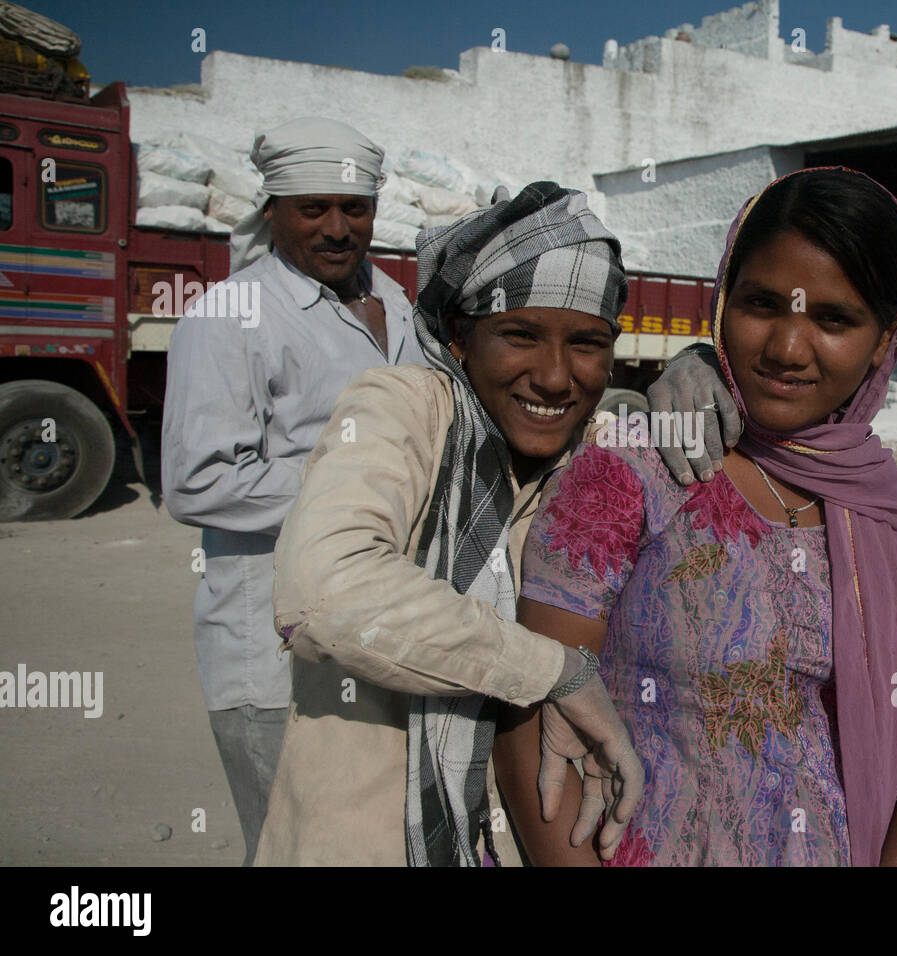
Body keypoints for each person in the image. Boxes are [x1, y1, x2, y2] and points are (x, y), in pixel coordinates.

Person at [497, 166, 897, 865]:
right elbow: (530, 725)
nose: (785, 348)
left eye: (833, 319)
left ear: (882, 339)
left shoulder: (883, 516)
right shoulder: (637, 471)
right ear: (722, 303)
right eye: (761, 304)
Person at [257, 181, 654, 866]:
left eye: (587, 344)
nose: (557, 377)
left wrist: (699, 375)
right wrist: (552, 670)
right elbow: (324, 590)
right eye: (520, 336)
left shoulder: (597, 453)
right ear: (461, 339)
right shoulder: (402, 407)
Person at [161, 117, 430, 865]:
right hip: (272, 656)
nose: (339, 229)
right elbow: (199, 482)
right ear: (272, 208)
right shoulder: (229, 317)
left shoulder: (396, 305)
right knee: (293, 847)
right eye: (314, 209)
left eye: (356, 209)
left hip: (379, 637)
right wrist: (367, 493)